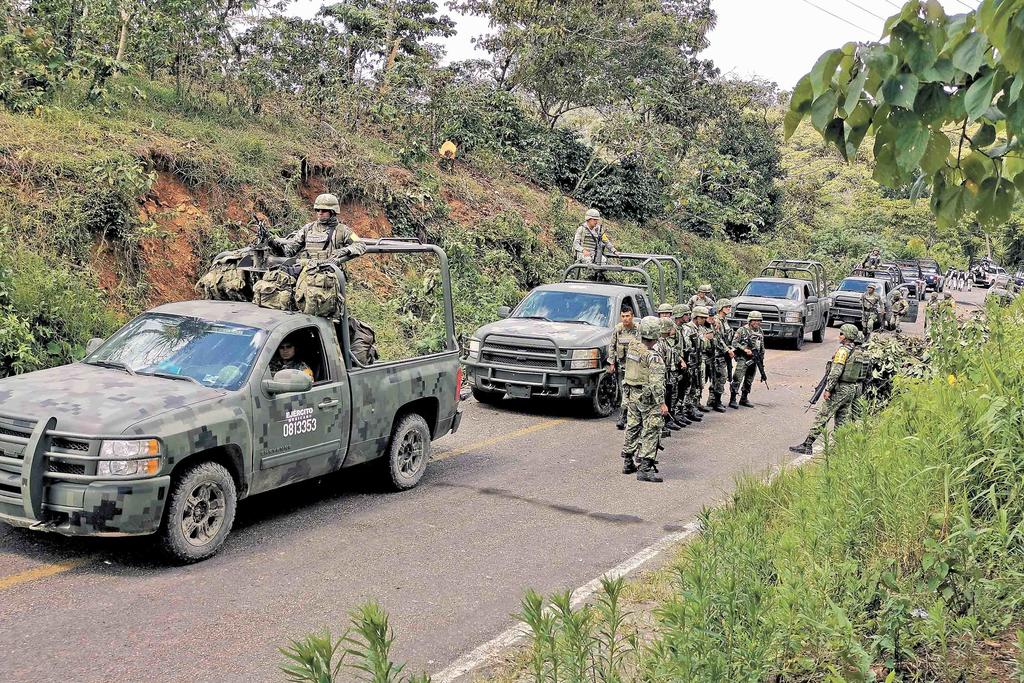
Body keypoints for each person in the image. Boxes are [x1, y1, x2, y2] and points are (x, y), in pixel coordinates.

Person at [789, 324, 865, 454]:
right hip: (851, 389)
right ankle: (839, 448)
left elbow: (836, 372)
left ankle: (808, 445)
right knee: (842, 419)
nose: (839, 336)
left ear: (846, 336)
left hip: (840, 389)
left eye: (841, 334)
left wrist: (828, 389)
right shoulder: (858, 351)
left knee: (823, 415)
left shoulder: (843, 351)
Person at [620, 316, 668, 483]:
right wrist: (662, 403)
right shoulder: (653, 356)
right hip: (648, 398)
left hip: (632, 394)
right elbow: (656, 384)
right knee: (651, 429)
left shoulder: (633, 347)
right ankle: (645, 468)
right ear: (656, 335)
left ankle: (628, 462)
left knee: (632, 426)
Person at [271, 193, 366, 261]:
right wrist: (276, 246)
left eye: (324, 210)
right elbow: (290, 251)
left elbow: (361, 244)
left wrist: (345, 251)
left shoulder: (343, 230)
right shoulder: (308, 228)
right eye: (318, 210)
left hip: (330, 274)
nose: (320, 213)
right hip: (308, 273)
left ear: (332, 212)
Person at [607, 305, 640, 430]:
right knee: (624, 392)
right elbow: (612, 346)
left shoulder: (638, 329)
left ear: (632, 316)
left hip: (635, 367)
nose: (625, 319)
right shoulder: (618, 329)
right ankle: (623, 417)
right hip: (622, 367)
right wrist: (612, 363)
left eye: (628, 316)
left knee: (634, 393)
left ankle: (632, 416)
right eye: (623, 316)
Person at [730, 310, 765, 409]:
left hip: (755, 359)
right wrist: (745, 349)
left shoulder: (760, 331)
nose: (757, 323)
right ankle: (733, 399)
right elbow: (734, 343)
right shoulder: (742, 330)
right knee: (737, 378)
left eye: (759, 321)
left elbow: (762, 345)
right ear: (750, 320)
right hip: (744, 358)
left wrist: (761, 358)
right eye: (755, 320)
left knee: (749, 379)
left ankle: (744, 398)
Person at [658, 315, 683, 434]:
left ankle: (667, 420)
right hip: (660, 376)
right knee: (661, 399)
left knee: (669, 396)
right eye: (671, 328)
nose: (674, 330)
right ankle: (661, 424)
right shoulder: (659, 343)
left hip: (668, 375)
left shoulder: (666, 342)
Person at [709, 299, 735, 412]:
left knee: (720, 376)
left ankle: (712, 400)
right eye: (726, 307)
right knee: (721, 377)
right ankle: (717, 401)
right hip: (718, 354)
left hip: (723, 353)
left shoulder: (724, 320)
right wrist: (727, 350)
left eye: (729, 307)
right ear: (720, 308)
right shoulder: (717, 321)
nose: (729, 308)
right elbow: (717, 338)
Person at [670, 304, 692, 426]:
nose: (688, 316)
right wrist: (680, 360)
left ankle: (679, 413)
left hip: (684, 362)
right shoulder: (673, 329)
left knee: (683, 389)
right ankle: (672, 416)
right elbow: (671, 347)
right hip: (675, 363)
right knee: (674, 391)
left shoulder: (682, 328)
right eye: (686, 314)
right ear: (680, 315)